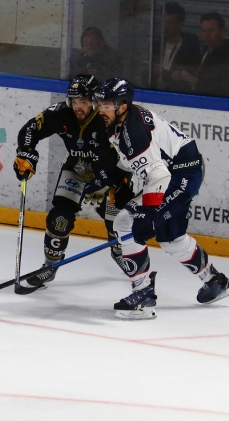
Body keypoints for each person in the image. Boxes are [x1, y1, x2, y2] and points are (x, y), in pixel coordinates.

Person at [94, 78, 228, 319]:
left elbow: (159, 175)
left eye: (106, 105)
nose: (100, 110)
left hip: (180, 175)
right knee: (171, 238)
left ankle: (143, 295)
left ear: (122, 106)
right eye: (99, 104)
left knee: (128, 223)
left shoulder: (132, 134)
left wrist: (148, 213)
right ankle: (215, 281)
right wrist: (112, 176)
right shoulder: (119, 122)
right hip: (178, 170)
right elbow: (134, 162)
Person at [13, 74, 129, 292]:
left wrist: (113, 180)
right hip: (77, 168)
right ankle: (50, 266)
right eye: (74, 101)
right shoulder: (60, 114)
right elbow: (30, 129)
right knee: (59, 218)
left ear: (94, 101)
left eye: (83, 101)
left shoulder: (109, 117)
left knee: (118, 223)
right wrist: (26, 153)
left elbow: (130, 153)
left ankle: (121, 253)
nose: (78, 107)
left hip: (110, 173)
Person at [180, 12, 229, 97]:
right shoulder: (204, 52)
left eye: (211, 30)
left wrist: (198, 81)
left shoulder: (225, 56)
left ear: (222, 31)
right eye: (204, 30)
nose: (207, 35)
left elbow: (224, 86)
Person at [156, 2, 201, 93]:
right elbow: (145, 76)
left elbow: (191, 71)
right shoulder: (156, 45)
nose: (165, 26)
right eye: (163, 21)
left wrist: (165, 73)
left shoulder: (190, 45)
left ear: (180, 24)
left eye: (170, 22)